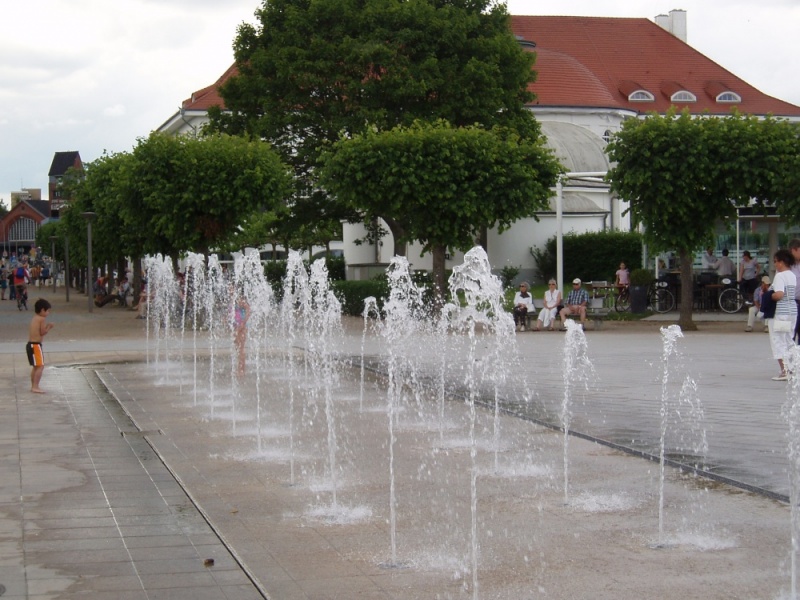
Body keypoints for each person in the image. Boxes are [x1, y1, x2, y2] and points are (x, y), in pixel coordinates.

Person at [767, 249, 797, 381]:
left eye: (776, 261)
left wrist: (769, 295)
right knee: (788, 340)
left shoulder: (780, 276)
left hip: (780, 313)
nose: (775, 265)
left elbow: (779, 294)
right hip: (792, 311)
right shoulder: (792, 275)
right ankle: (793, 368)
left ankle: (784, 370)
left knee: (778, 341)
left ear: (782, 262)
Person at [27, 298, 55, 393]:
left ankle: (33, 385)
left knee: (36, 367)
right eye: (48, 311)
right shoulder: (42, 319)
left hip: (30, 345)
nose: (48, 313)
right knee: (40, 366)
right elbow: (42, 332)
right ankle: (35, 386)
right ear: (43, 310)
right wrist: (49, 327)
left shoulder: (35, 318)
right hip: (35, 345)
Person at [232, 290, 250, 376]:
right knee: (238, 348)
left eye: (231, 288)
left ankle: (241, 370)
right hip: (236, 326)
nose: (229, 290)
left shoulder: (240, 300)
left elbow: (248, 311)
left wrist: (242, 324)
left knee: (241, 349)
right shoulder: (233, 300)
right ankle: (240, 368)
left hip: (241, 327)